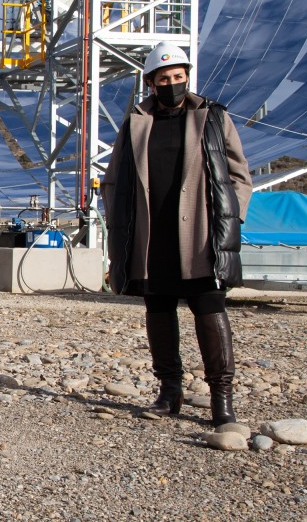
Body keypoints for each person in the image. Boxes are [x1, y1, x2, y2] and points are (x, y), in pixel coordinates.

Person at [102, 41, 253, 426]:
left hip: (201, 232)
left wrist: (229, 218)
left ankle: (221, 397)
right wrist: (118, 221)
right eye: (164, 79)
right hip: (151, 234)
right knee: (159, 310)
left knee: (209, 307)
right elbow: (113, 180)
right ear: (151, 83)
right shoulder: (136, 122)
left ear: (187, 77)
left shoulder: (213, 117)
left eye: (178, 76)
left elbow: (239, 176)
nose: (172, 84)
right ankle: (170, 391)